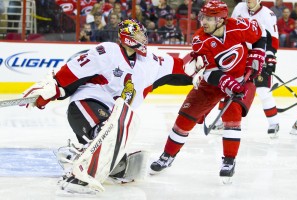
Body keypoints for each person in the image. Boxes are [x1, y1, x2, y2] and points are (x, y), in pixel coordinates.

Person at [21, 19, 191, 194]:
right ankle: (76, 176)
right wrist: (54, 87)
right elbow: (75, 70)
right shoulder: (108, 51)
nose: (143, 38)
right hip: (86, 104)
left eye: (143, 34)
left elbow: (181, 68)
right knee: (105, 130)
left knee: (113, 147)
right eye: (138, 35)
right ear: (127, 36)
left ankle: (80, 155)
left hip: (113, 117)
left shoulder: (151, 62)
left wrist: (200, 68)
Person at [150, 1, 266, 182]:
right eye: (203, 17)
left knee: (232, 116)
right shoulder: (199, 39)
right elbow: (209, 72)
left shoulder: (239, 26)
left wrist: (258, 53)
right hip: (210, 85)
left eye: (209, 18)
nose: (204, 21)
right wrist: (225, 81)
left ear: (221, 20)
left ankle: (229, 160)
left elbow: (261, 33)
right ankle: (167, 156)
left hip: (240, 79)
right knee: (184, 119)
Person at [211, 0, 280, 137]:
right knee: (229, 87)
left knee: (263, 90)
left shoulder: (268, 14)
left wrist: (270, 58)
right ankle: (220, 120)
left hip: (259, 56)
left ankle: (274, 123)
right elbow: (231, 29)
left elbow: (273, 39)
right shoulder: (240, 8)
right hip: (241, 55)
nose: (248, 0)